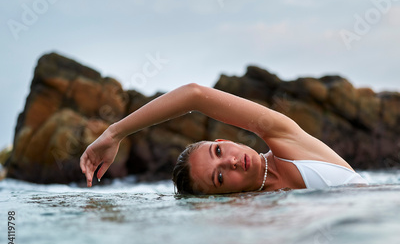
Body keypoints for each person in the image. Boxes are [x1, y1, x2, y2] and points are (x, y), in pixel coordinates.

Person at [80, 83, 367, 194]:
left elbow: (195, 95)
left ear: (222, 139)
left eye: (217, 151)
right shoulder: (251, 213)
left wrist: (114, 133)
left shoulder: (284, 137)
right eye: (219, 178)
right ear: (222, 197)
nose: (230, 162)